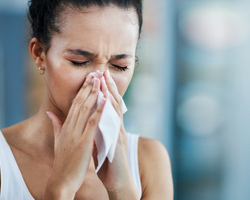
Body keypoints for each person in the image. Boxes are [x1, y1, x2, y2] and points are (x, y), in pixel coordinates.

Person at [0, 0, 173, 199]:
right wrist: (60, 189)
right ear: (39, 54)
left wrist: (122, 189)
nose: (99, 83)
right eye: (79, 62)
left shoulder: (148, 161)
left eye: (119, 65)